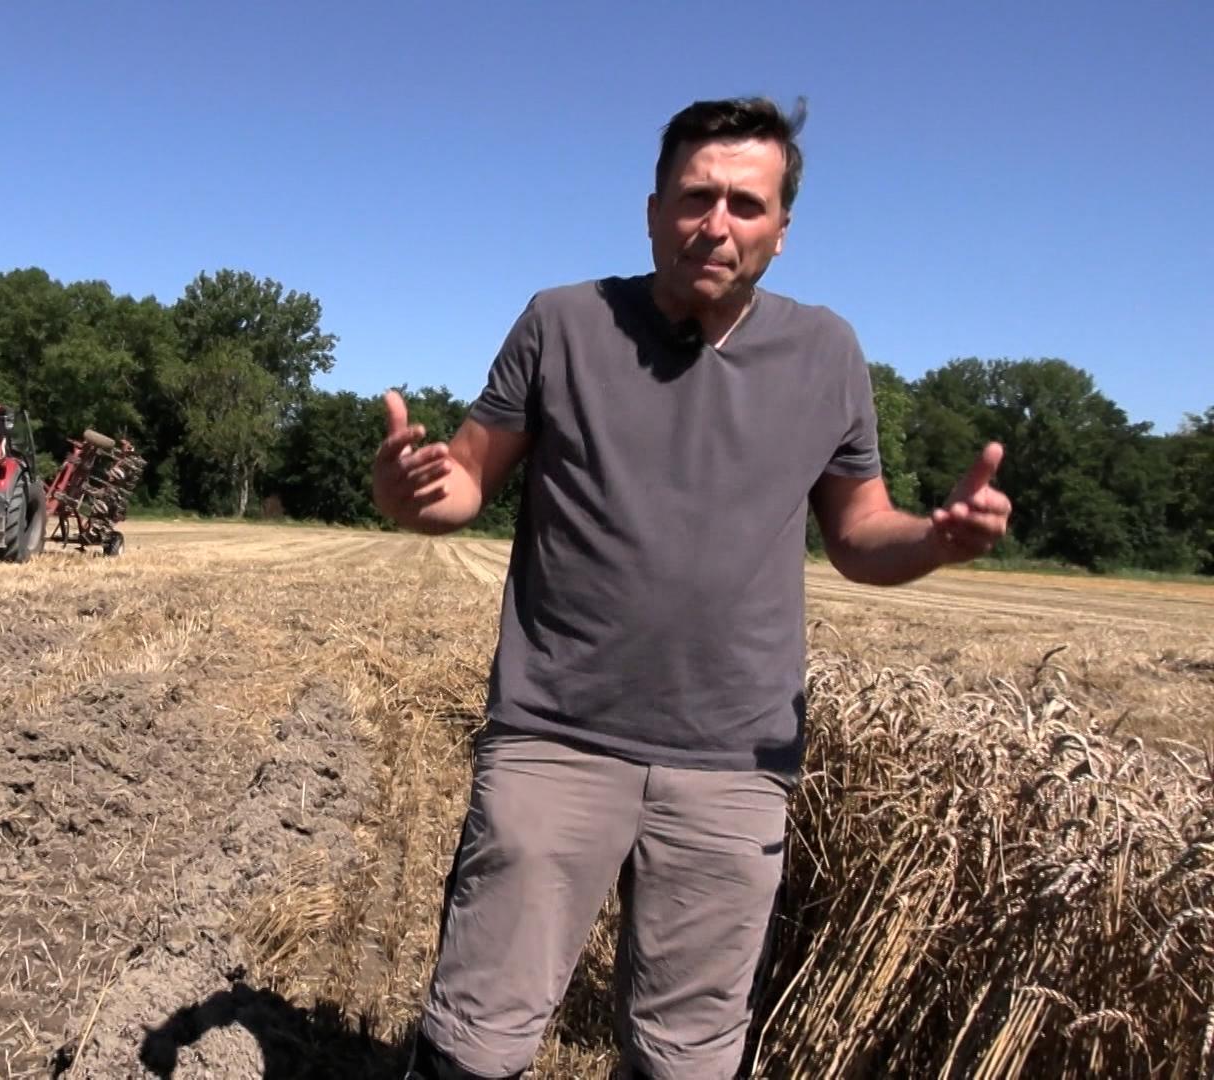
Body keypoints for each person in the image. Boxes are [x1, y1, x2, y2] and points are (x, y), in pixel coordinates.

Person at [373, 98, 1012, 1080]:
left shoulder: (827, 353)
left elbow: (859, 533)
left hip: (734, 761)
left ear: (782, 228)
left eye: (746, 205)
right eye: (694, 197)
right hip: (555, 736)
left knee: (687, 1061)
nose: (717, 224)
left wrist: (934, 540)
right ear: (652, 210)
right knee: (475, 1042)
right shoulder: (563, 323)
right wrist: (408, 494)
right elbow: (464, 479)